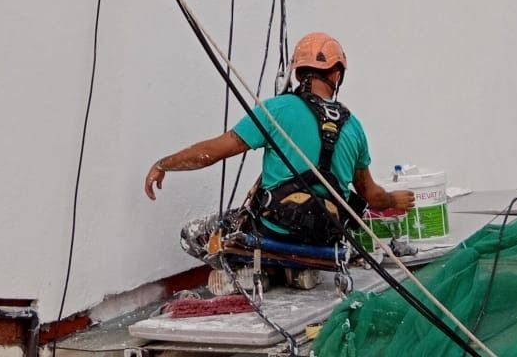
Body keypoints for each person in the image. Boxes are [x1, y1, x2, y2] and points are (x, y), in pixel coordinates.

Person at [143, 32, 413, 251]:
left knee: (195, 236)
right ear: (336, 75)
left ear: (297, 74)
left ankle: (261, 271)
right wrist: (393, 199)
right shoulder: (354, 128)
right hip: (326, 235)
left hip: (277, 229)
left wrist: (165, 164)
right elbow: (370, 195)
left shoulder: (277, 110)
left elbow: (213, 152)